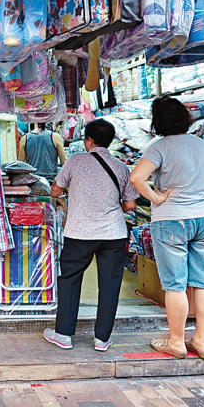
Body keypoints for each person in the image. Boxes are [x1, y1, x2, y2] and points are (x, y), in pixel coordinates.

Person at [130, 96, 204, 360]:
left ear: (157, 121)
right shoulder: (202, 145)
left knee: (175, 286)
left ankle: (177, 342)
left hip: (172, 219)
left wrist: (156, 197)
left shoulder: (160, 146)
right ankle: (201, 341)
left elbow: (136, 178)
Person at [44, 119, 138, 352]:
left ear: (89, 140)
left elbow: (55, 189)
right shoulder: (120, 166)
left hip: (80, 232)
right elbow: (130, 205)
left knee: (70, 279)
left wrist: (73, 193)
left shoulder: (76, 161)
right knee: (110, 284)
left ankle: (64, 334)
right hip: (113, 233)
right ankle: (102, 339)